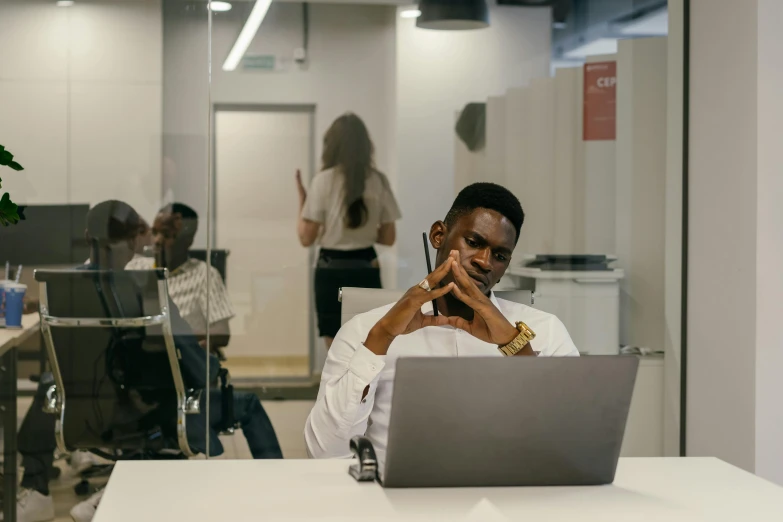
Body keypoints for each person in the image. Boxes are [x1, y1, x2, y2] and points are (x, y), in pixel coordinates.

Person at [15, 200, 281, 522]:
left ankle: (52, 489)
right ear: (134, 241)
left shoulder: (65, 291)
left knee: (49, 384)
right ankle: (281, 498)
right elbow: (199, 366)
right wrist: (208, 369)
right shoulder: (149, 288)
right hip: (158, 410)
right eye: (150, 233)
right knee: (243, 403)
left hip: (93, 413)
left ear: (88, 238)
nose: (155, 241)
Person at [304, 183, 579, 465]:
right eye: (473, 242)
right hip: (396, 498)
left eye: (500, 256)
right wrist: (382, 338)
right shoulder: (366, 330)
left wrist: (515, 345)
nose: (485, 262)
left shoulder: (543, 331)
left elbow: (575, 443)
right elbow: (325, 452)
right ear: (439, 235)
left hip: (505, 495)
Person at [296, 113, 402, 350]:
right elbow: (388, 237)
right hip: (366, 264)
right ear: (366, 146)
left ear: (330, 146)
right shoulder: (378, 180)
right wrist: (361, 234)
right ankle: (365, 388)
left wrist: (303, 202)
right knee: (368, 341)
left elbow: (306, 238)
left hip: (330, 267)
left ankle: (339, 387)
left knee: (336, 345)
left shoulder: (322, 181)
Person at [126, 203, 233, 359]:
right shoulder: (135, 268)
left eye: (167, 235)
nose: (157, 240)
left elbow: (222, 333)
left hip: (182, 359)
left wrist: (177, 339)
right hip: (138, 360)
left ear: (188, 240)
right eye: (154, 232)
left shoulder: (204, 275)